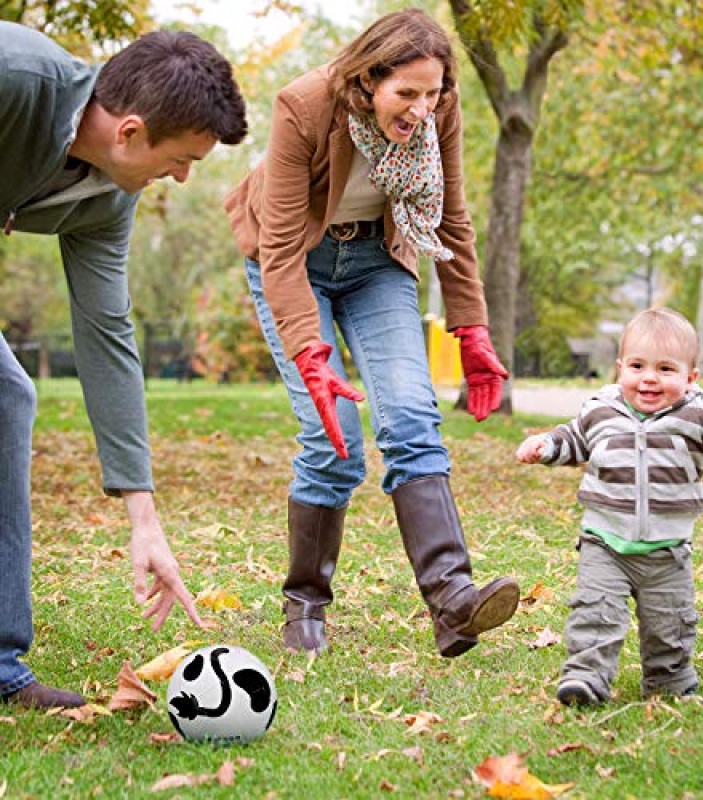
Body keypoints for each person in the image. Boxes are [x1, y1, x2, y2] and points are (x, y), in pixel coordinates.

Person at [224, 8, 519, 659]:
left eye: (432, 92)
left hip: (377, 263)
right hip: (294, 261)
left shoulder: (440, 113)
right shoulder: (305, 105)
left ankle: (454, 602)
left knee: (413, 415)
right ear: (367, 82)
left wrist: (471, 329)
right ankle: (305, 602)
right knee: (332, 442)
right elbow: (276, 248)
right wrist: (309, 350)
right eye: (405, 94)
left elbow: (455, 220)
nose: (420, 109)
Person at [0, 22, 248, 708]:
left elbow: (107, 335)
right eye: (182, 159)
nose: (183, 176)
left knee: (5, 397)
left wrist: (145, 518)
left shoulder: (107, 197)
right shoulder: (15, 76)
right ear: (131, 132)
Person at [516, 308, 703, 706]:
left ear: (690, 377)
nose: (649, 378)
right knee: (595, 612)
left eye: (666, 369)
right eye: (637, 366)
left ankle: (668, 680)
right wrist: (546, 445)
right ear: (620, 369)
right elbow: (576, 438)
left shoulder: (696, 414)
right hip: (605, 541)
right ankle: (586, 677)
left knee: (670, 622)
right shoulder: (601, 409)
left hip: (667, 549)